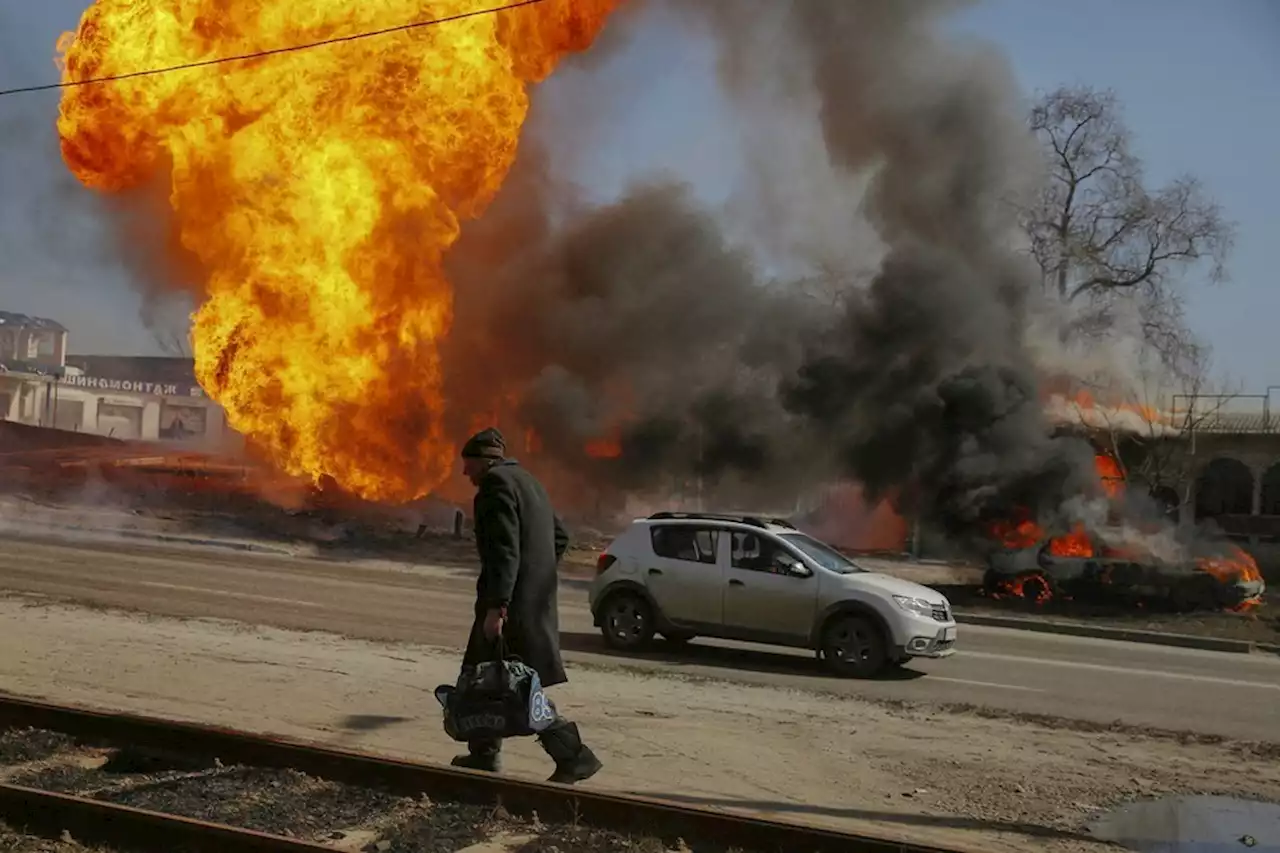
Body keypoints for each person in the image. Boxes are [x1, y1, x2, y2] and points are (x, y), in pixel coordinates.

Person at [452, 427, 603, 784]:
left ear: (484, 461)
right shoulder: (529, 481)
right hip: (533, 603)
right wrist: (538, 575)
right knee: (486, 680)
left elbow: (504, 553)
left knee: (513, 684)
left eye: (468, 464)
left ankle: (574, 755)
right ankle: (484, 754)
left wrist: (498, 607)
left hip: (510, 608)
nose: (465, 473)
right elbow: (560, 537)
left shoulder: (495, 486)